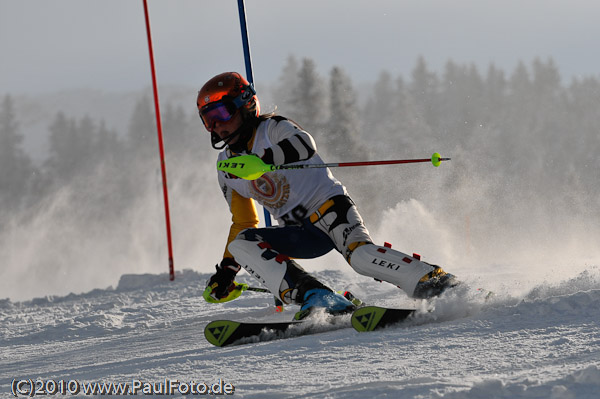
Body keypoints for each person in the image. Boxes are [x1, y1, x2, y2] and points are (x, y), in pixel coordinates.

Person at [198, 72, 456, 318]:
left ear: (245, 105)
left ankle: (432, 281)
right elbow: (244, 222)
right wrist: (227, 272)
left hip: (330, 210)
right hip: (299, 233)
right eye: (208, 119)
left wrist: (264, 160)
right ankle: (318, 296)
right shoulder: (227, 169)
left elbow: (305, 145)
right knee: (241, 242)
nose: (217, 126)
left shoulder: (272, 129)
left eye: (221, 113)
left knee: (362, 257)